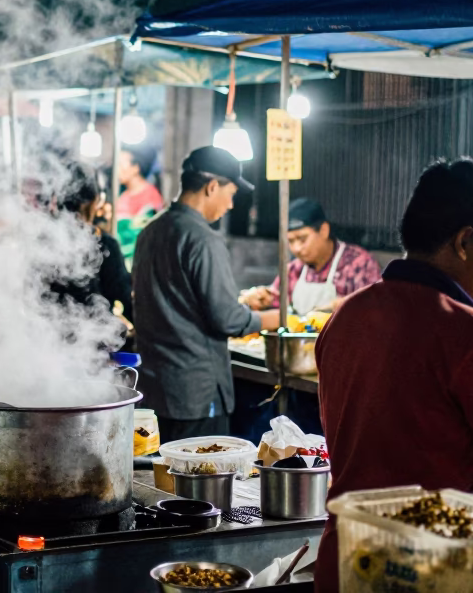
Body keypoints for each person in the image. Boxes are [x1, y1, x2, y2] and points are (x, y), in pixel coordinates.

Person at [313, 158, 473, 592]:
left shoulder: (347, 314)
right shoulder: (471, 333)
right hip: (432, 571)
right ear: (465, 242)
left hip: (349, 559)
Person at [132, 146, 279, 442]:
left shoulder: (151, 231)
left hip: (155, 391)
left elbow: (178, 301)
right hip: (195, 396)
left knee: (161, 481)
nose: (231, 205)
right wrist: (276, 317)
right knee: (195, 483)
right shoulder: (203, 239)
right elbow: (227, 320)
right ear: (213, 187)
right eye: (231, 193)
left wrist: (242, 302)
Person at [241, 198, 383, 315]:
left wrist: (343, 306)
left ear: (324, 230)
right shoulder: (294, 270)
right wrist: (262, 299)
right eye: (290, 241)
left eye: (302, 239)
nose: (296, 248)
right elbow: (276, 301)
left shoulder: (360, 264)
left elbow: (377, 309)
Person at [47, 162, 133, 325]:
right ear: (93, 201)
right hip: (92, 340)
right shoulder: (104, 244)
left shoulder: (43, 242)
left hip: (49, 340)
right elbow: (124, 295)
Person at [114, 145, 163, 219]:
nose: (117, 170)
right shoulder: (123, 196)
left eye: (120, 165)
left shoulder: (151, 196)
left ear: (135, 168)